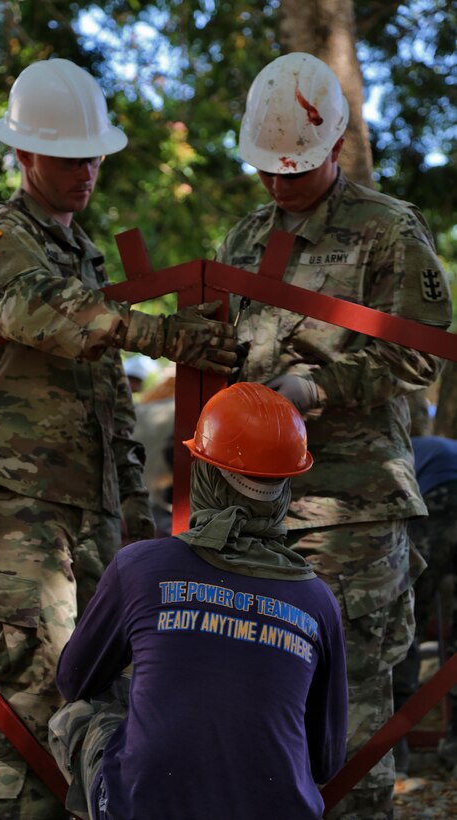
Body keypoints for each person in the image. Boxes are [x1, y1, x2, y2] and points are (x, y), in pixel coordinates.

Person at [0, 58, 237, 819]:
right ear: (25, 154)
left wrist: (137, 521)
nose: (87, 172)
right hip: (19, 514)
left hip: (93, 516)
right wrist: (160, 332)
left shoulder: (84, 258)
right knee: (30, 720)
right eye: (71, 158)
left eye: (95, 156)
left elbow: (110, 406)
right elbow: (33, 311)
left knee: (93, 714)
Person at [215, 52, 453, 818]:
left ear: (336, 150)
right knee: (260, 712)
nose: (279, 186)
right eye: (268, 172)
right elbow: (223, 343)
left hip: (350, 515)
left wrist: (319, 386)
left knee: (350, 726)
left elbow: (422, 347)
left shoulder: (387, 228)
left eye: (295, 171)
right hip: (257, 516)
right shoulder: (245, 237)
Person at [52, 382, 348, 820]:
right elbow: (327, 758)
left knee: (76, 716)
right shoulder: (317, 600)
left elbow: (74, 680)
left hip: (147, 809)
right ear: (286, 487)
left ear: (205, 472)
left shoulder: (140, 566)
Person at [392, 433, 457, 773]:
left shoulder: (395, 446)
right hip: (446, 497)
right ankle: (454, 752)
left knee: (407, 626)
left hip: (436, 504)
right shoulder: (437, 447)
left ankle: (394, 751)